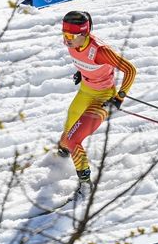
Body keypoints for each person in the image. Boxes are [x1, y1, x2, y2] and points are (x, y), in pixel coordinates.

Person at [57, 11, 137, 184]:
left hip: (103, 98)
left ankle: (85, 186)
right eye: (64, 34)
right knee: (65, 138)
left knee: (73, 140)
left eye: (70, 35)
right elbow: (84, 61)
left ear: (84, 33)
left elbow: (130, 70)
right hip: (85, 91)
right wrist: (81, 72)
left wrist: (119, 97)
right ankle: (60, 157)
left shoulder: (100, 51)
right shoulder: (73, 44)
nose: (67, 40)